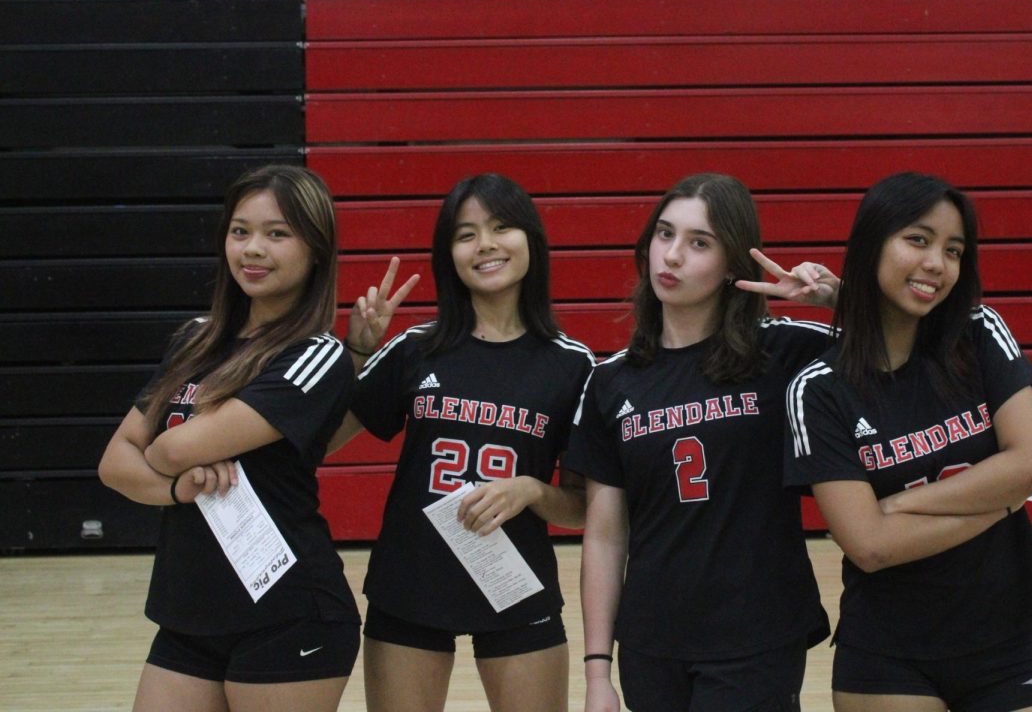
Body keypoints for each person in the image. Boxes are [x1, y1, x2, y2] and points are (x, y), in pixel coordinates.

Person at [784, 171, 1032, 712]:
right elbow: (870, 546)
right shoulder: (817, 390)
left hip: (1004, 640)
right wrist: (1002, 499)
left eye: (954, 250)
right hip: (886, 656)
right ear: (872, 243)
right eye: (918, 239)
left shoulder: (978, 333)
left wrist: (903, 504)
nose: (937, 263)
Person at [565, 172, 840, 712]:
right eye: (664, 235)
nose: (671, 256)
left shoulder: (784, 352)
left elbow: (903, 346)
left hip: (756, 636)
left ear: (734, 263)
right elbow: (603, 534)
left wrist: (837, 299)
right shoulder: (611, 380)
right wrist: (598, 670)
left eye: (698, 243)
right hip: (650, 643)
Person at [328, 173, 595, 712]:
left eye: (501, 227)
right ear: (448, 254)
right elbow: (321, 439)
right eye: (466, 233)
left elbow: (586, 507)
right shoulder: (414, 349)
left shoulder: (574, 366)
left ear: (530, 241)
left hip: (515, 584)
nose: (486, 245)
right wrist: (354, 352)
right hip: (411, 581)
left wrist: (530, 491)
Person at [97, 165, 360, 712]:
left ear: (315, 248)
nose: (253, 249)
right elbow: (113, 464)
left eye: (277, 233)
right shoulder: (195, 339)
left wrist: (172, 457)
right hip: (188, 610)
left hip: (286, 614)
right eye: (240, 231)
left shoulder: (316, 354)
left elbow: (165, 448)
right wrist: (176, 489)